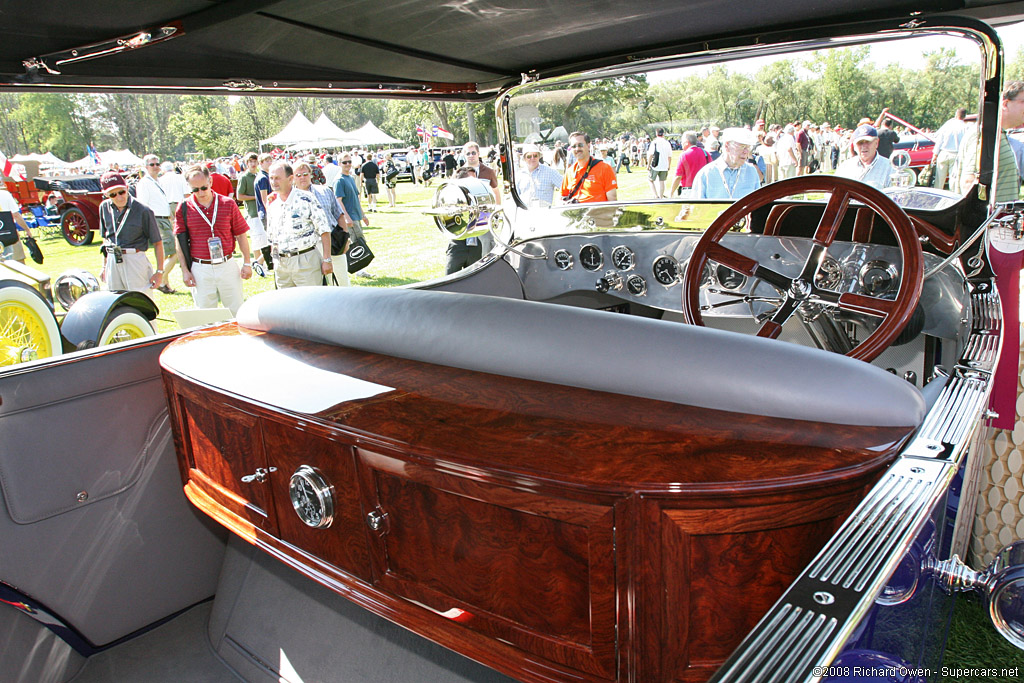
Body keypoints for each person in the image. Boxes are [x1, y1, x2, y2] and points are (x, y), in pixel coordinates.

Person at [174, 165, 252, 315]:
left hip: (227, 264)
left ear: (210, 181)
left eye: (203, 187)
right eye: (195, 190)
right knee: (205, 316)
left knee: (236, 312)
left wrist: (247, 263)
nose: (200, 193)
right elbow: (180, 240)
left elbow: (241, 234)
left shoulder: (227, 203)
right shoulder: (183, 207)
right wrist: (185, 270)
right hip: (200, 267)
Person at [265, 161, 333, 288]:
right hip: (282, 264)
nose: (274, 182)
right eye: (271, 178)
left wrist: (327, 259)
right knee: (285, 306)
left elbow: (324, 230)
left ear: (290, 179)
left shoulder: (306, 199)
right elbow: (272, 238)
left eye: (278, 178)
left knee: (311, 304)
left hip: (305, 260)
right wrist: (275, 263)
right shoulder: (272, 205)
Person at [97, 172, 165, 293]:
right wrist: (104, 266)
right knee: (115, 299)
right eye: (113, 194)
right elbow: (106, 238)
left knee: (141, 299)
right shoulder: (104, 208)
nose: (119, 197)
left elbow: (158, 242)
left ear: (127, 188)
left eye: (122, 192)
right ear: (106, 195)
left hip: (134, 259)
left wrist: (159, 272)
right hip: (113, 258)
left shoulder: (143, 210)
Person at [958, 81, 1024, 201]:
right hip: (988, 219)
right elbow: (969, 182)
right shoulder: (985, 134)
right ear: (1005, 104)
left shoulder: (997, 134)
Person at [293, 161, 350, 286]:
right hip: (307, 248)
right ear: (292, 178)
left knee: (341, 281)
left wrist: (346, 238)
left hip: (333, 242)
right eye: (298, 175)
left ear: (311, 175)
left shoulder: (325, 191)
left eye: (305, 174)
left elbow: (339, 215)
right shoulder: (290, 198)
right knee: (316, 286)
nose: (302, 177)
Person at [134, 154, 177, 293]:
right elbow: (143, 205)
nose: (155, 167)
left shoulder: (157, 181)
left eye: (157, 164)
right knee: (175, 252)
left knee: (165, 254)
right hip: (156, 220)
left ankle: (165, 282)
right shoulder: (144, 183)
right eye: (152, 164)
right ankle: (161, 279)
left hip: (164, 218)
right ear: (146, 167)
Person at [445, 166, 494, 274]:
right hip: (458, 244)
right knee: (449, 278)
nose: (475, 183)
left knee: (475, 279)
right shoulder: (451, 198)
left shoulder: (481, 199)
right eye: (471, 180)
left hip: (476, 245)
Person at [690, 128, 761, 200]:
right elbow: (696, 208)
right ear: (727, 146)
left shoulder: (752, 172)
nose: (746, 152)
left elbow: (758, 206)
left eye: (748, 147)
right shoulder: (706, 174)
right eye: (742, 146)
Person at [235, 152, 271, 276]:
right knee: (258, 240)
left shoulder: (260, 175)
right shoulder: (244, 177)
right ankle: (259, 265)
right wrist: (256, 197)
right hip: (253, 213)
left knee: (265, 239)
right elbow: (239, 196)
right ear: (246, 163)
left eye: (255, 161)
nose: (253, 164)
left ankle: (263, 263)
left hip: (261, 212)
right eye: (250, 161)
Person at [560, 132, 618, 203]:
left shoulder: (604, 168)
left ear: (588, 146)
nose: (577, 149)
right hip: (574, 212)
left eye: (580, 145)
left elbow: (612, 201)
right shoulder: (570, 172)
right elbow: (562, 197)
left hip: (596, 213)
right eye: (574, 146)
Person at [835, 124, 894, 190]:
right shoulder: (845, 167)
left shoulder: (890, 168)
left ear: (876, 143)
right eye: (860, 143)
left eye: (868, 142)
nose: (864, 146)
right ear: (854, 146)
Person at [334, 152, 370, 245]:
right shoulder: (339, 180)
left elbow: (356, 198)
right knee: (357, 245)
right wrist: (346, 218)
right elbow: (338, 201)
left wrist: (363, 215)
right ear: (339, 164)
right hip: (350, 218)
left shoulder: (350, 178)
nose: (348, 164)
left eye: (349, 162)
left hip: (356, 217)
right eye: (344, 162)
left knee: (361, 243)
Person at [931, 107, 967, 191]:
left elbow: (939, 140)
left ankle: (937, 195)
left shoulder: (948, 125)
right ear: (964, 116)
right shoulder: (965, 128)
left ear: (956, 114)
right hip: (956, 155)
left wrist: (935, 154)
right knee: (953, 180)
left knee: (939, 179)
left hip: (943, 153)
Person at [668, 131, 711, 197]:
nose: (681, 143)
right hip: (704, 189)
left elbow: (678, 176)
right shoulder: (705, 153)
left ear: (686, 142)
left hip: (688, 191)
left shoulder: (684, 155)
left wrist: (671, 192)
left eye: (682, 141)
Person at [0, 186, 35, 263]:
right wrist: (27, 229)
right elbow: (16, 215)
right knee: (10, 261)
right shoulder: (5, 194)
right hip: (6, 232)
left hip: (5, 231)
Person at [647, 128, 674, 198]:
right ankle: (661, 196)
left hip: (656, 165)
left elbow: (650, 154)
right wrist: (669, 165)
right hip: (664, 165)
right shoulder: (667, 143)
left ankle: (656, 195)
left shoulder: (654, 142)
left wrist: (648, 165)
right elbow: (669, 156)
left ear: (656, 134)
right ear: (663, 134)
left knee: (651, 180)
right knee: (662, 182)